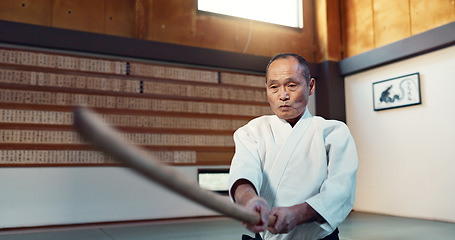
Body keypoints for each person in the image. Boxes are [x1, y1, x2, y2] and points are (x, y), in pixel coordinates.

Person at [229, 53, 358, 240]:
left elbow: (340, 191)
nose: (283, 95)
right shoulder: (252, 131)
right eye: (274, 87)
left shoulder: (333, 132)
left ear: (311, 86)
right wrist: (250, 201)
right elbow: (243, 176)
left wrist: (298, 214)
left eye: (292, 85)